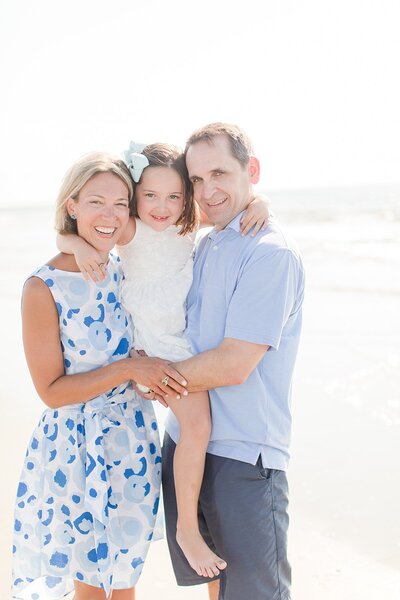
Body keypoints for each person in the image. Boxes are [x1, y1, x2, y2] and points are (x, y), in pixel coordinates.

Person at [56, 142, 271, 579]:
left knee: (196, 427)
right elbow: (73, 227)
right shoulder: (132, 230)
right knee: (198, 424)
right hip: (157, 345)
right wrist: (72, 245)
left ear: (186, 199)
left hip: (183, 339)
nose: (162, 207)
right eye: (150, 196)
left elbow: (236, 204)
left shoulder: (188, 224)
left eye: (174, 196)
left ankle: (190, 520)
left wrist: (263, 201)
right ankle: (187, 529)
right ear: (135, 198)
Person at [12, 152, 188, 600]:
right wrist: (129, 367)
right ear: (72, 205)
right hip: (76, 450)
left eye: (120, 204)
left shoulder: (122, 270)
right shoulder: (42, 287)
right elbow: (51, 392)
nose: (110, 216)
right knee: (91, 586)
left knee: (125, 580)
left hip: (133, 439)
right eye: (96, 202)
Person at [155, 123, 305, 600]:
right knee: (216, 587)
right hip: (187, 446)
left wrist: (145, 379)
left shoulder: (269, 254)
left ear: (251, 171)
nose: (207, 190)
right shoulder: (208, 243)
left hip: (245, 459)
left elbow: (233, 364)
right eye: (196, 180)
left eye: (219, 173)